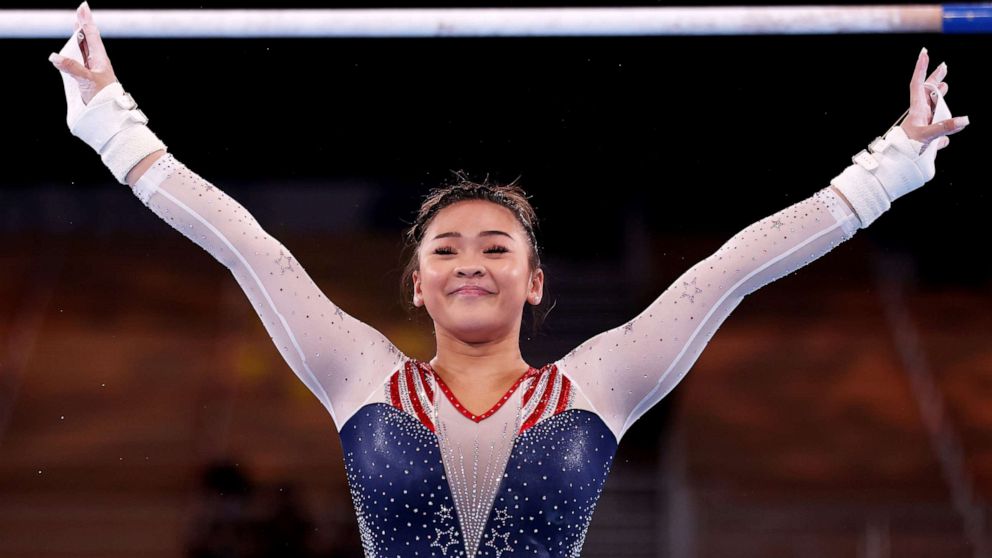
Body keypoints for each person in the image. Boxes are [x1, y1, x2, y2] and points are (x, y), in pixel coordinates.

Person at [49, 3, 969, 557]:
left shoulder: (599, 382)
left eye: (497, 247)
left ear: (536, 281)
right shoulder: (359, 372)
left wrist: (893, 163)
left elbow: (732, 270)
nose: (470, 263)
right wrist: (111, 124)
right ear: (415, 284)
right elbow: (248, 245)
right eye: (446, 249)